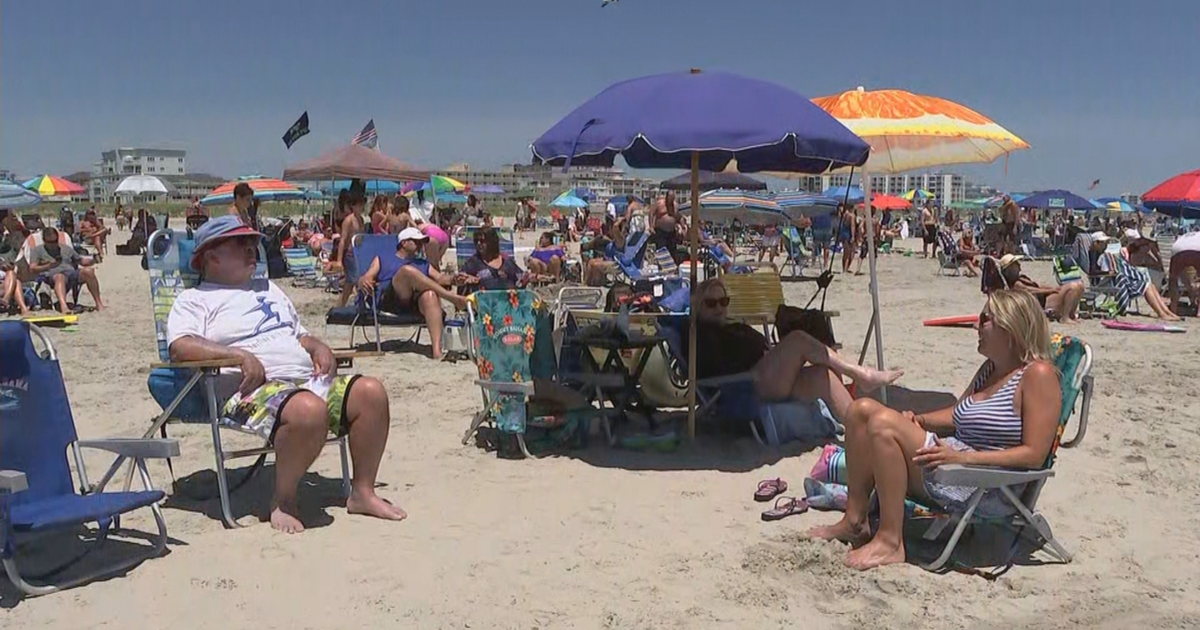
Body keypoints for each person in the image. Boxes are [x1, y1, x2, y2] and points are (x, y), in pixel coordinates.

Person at [166, 216, 404, 533]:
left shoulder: (269, 289)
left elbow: (298, 334)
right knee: (307, 410)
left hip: (305, 382)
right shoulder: (194, 300)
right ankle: (284, 499)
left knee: (371, 392)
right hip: (247, 392)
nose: (253, 249)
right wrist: (236, 356)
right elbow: (180, 347)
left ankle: (362, 492)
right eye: (241, 244)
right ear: (211, 256)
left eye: (253, 243)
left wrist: (317, 345)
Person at [808, 290, 1063, 570]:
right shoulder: (990, 370)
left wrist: (964, 459)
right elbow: (958, 414)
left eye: (985, 319)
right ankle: (854, 521)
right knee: (860, 411)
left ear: (1010, 326)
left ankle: (891, 541)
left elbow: (1034, 455)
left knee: (881, 424)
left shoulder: (1038, 376)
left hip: (987, 485)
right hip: (953, 464)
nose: (976, 326)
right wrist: (921, 421)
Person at [693, 279, 903, 425]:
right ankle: (861, 374)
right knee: (797, 339)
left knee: (824, 375)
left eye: (724, 301)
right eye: (711, 304)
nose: (719, 308)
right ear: (698, 307)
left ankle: (869, 426)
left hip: (764, 375)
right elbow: (717, 367)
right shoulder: (700, 334)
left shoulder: (729, 327)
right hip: (745, 384)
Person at [355, 227, 466, 359]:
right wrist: (363, 280)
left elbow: (441, 278)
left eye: (421, 242)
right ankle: (451, 298)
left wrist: (455, 279)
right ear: (404, 243)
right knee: (406, 271)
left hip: (413, 303)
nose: (420, 245)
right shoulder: (383, 258)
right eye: (416, 242)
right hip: (389, 301)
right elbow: (367, 276)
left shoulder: (423, 263)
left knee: (429, 295)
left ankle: (437, 351)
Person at [1091, 232, 1180, 321]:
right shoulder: (1098, 255)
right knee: (1146, 286)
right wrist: (1110, 271)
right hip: (1110, 282)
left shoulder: (1101, 254)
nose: (1105, 244)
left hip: (1116, 279)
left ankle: (1167, 312)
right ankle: (1161, 314)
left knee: (1150, 285)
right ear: (1096, 243)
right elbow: (1097, 272)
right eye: (1102, 243)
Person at [25, 227, 105, 313]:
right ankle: (64, 306)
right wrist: (49, 266)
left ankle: (99, 304)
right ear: (44, 240)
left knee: (89, 271)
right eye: (50, 242)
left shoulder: (66, 248)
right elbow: (32, 268)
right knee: (60, 276)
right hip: (51, 276)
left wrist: (93, 260)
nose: (53, 245)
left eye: (55, 241)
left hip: (71, 274)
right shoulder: (37, 250)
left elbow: (81, 261)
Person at [997, 254, 1084, 322]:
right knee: (1074, 287)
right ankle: (1065, 317)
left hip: (1045, 298)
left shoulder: (1021, 278)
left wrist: (1050, 288)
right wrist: (1049, 290)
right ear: (1010, 268)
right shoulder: (1016, 283)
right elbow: (1030, 290)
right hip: (1044, 302)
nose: (1019, 264)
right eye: (1016, 263)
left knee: (1079, 286)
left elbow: (1036, 287)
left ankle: (1070, 315)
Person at [457, 226, 525, 292]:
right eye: (476, 241)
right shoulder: (472, 263)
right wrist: (467, 281)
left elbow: (521, 280)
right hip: (483, 302)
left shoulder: (507, 261)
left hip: (507, 300)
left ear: (492, 242)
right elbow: (460, 284)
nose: (478, 243)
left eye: (482, 241)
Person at [335, 190, 367, 308]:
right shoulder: (349, 220)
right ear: (353, 206)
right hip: (350, 254)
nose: (362, 207)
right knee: (357, 281)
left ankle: (339, 307)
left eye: (363, 204)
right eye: (359, 205)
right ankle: (357, 305)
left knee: (349, 285)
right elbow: (343, 240)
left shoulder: (361, 220)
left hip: (358, 254)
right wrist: (339, 260)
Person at [1167, 230, 1200, 315]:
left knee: (1173, 279)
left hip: (1177, 250)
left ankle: (1173, 308)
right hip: (1197, 250)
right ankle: (1199, 312)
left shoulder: (1187, 235)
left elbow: (1183, 275)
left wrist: (1191, 288)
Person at [649, 192, 682, 263]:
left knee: (672, 250)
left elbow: (679, 217)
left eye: (672, 199)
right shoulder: (660, 203)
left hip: (672, 232)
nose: (671, 201)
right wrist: (651, 226)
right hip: (661, 231)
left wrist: (682, 226)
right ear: (666, 197)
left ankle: (673, 268)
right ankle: (662, 266)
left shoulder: (675, 205)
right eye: (670, 198)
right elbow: (651, 213)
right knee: (661, 250)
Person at [838, 204, 858, 273]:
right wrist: (853, 236)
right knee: (850, 253)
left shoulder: (843, 215)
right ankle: (845, 269)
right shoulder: (851, 216)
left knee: (845, 253)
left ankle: (844, 268)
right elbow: (852, 226)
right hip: (848, 234)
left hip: (843, 233)